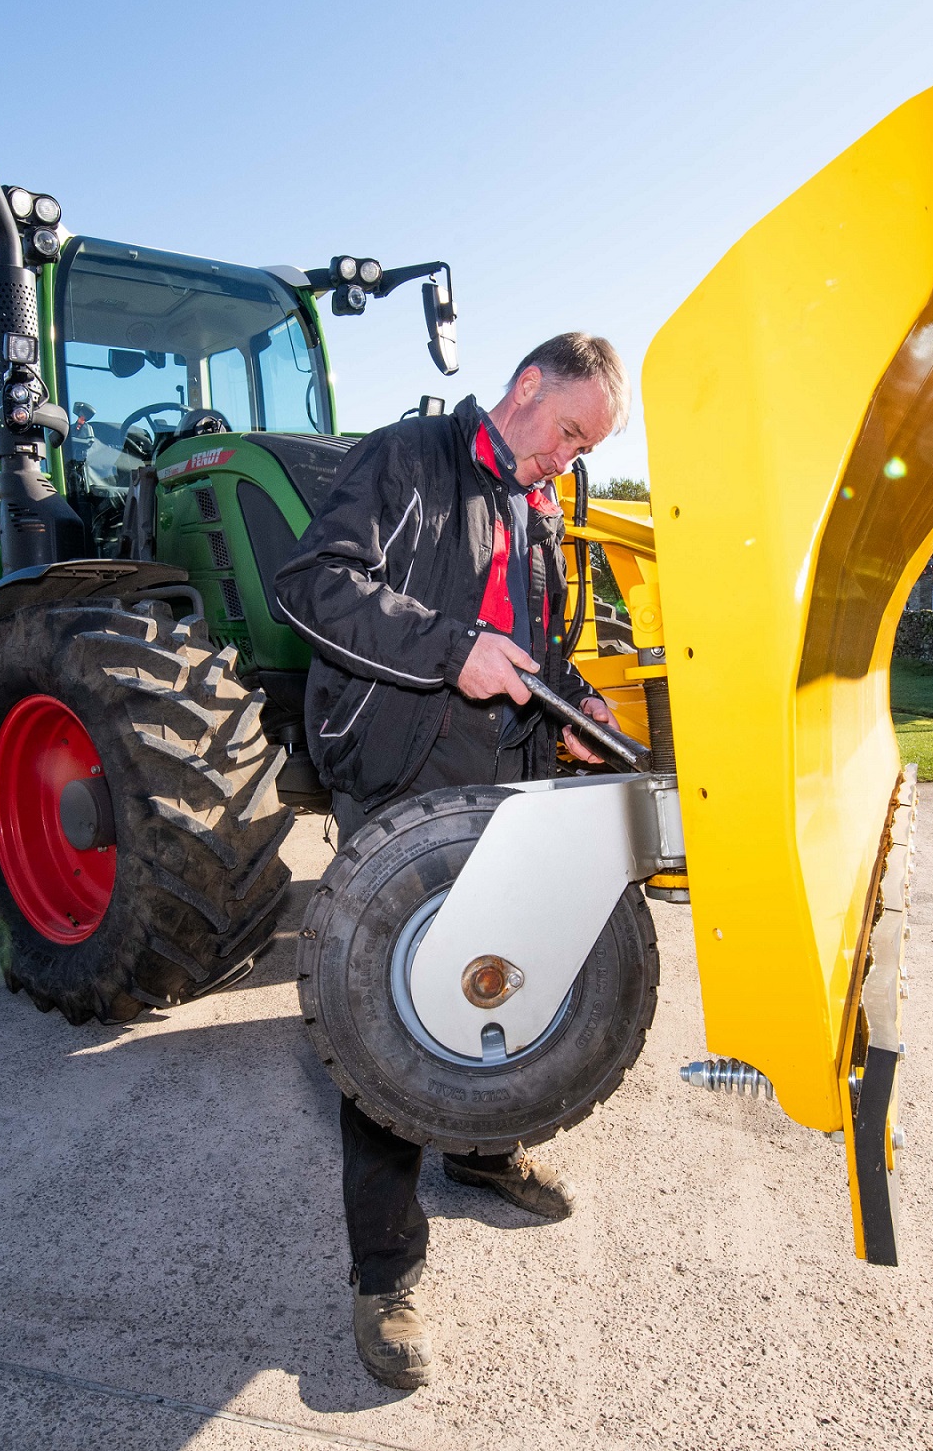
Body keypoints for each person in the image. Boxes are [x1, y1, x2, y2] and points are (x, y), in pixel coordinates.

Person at [274, 332, 629, 1389]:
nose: (564, 459)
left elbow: (528, 645)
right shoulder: (408, 459)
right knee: (387, 1032)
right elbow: (314, 584)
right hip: (402, 785)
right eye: (565, 431)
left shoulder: (535, 510)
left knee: (508, 984)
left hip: (508, 788)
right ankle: (385, 1274)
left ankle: (481, 1150)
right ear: (525, 388)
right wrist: (448, 651)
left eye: (583, 448)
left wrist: (574, 702)